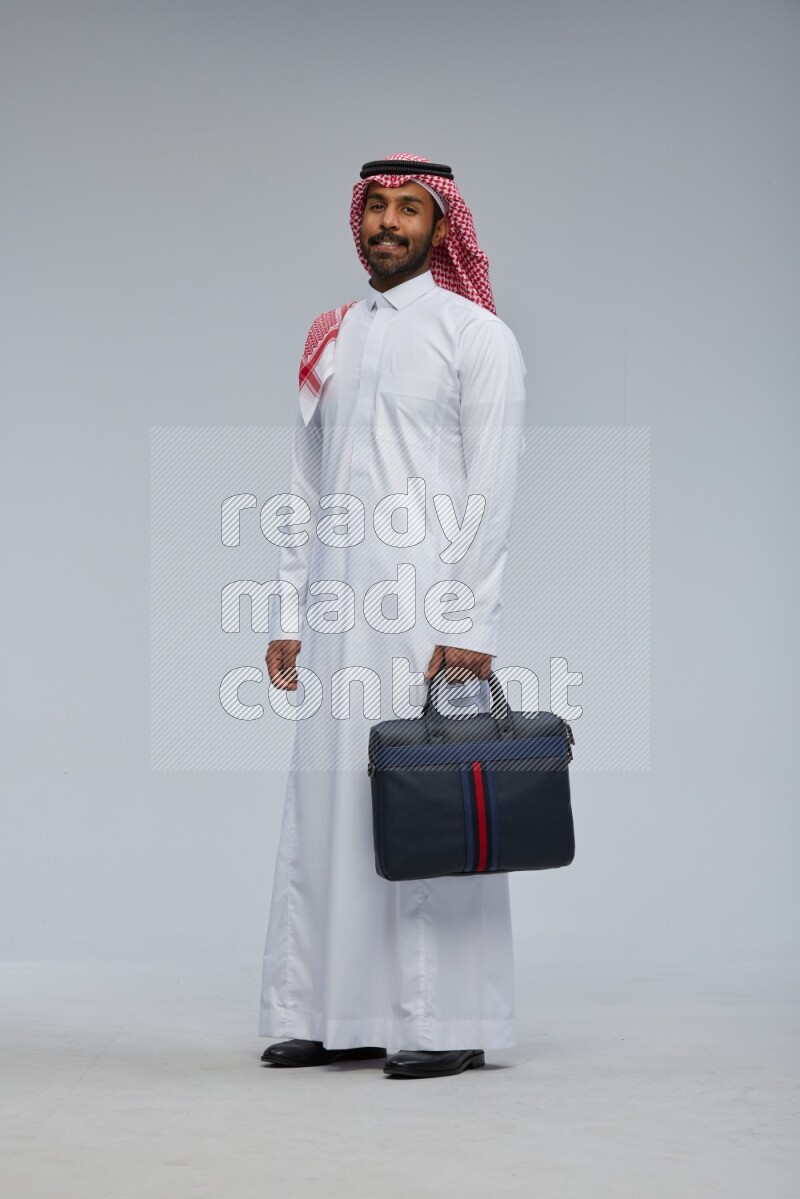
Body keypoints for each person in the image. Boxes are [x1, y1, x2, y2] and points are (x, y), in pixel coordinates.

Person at [259, 153, 527, 1079]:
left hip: (427, 615)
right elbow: (302, 483)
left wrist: (472, 625)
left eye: (408, 210)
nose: (387, 223)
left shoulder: (475, 335)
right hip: (337, 611)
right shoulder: (329, 336)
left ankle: (444, 1020)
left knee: (427, 804)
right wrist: (289, 608)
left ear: (442, 227)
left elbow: (491, 488)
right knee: (329, 801)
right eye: (375, 208)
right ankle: (332, 1010)